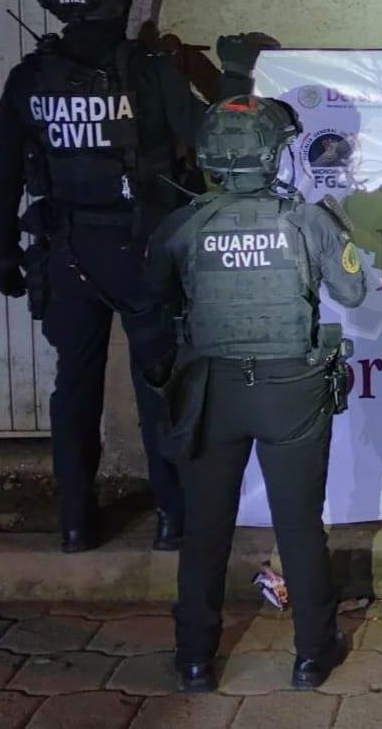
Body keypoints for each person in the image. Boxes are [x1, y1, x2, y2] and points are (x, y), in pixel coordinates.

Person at [0, 0, 202, 553]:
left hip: (64, 251)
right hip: (142, 250)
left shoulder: (32, 76)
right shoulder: (151, 71)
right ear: (120, 1)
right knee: (159, 384)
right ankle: (173, 519)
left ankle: (76, 524)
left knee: (74, 389)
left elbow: (3, 174)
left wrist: (4, 250)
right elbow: (206, 144)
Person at [147, 95, 366, 692]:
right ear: (272, 155)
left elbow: (153, 297)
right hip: (289, 391)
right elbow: (351, 293)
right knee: (298, 526)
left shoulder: (183, 223)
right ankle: (311, 656)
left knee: (205, 529)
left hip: (211, 390)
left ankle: (195, 660)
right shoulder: (307, 220)